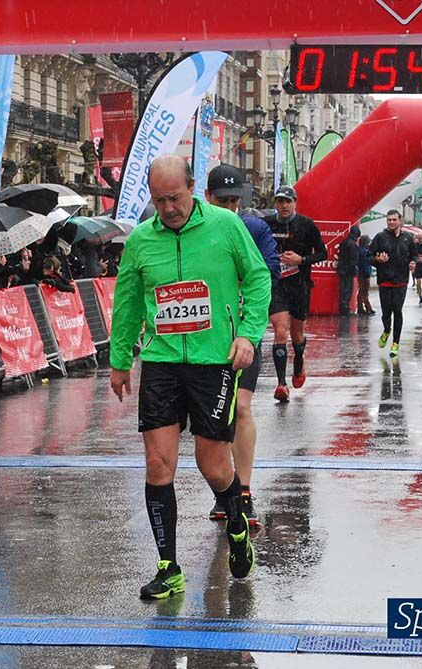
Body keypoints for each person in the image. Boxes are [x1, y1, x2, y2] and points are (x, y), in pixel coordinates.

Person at [110, 155, 271, 600]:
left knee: (212, 464)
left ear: (193, 187)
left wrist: (248, 334)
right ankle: (168, 566)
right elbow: (127, 303)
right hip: (162, 360)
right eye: (159, 200)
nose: (168, 208)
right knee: (158, 464)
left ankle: (236, 519)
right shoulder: (141, 240)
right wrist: (120, 359)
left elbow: (257, 279)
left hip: (213, 360)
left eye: (175, 198)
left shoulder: (225, 226)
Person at [203, 164, 278, 528]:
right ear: (207, 197)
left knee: (242, 408)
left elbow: (268, 273)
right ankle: (225, 491)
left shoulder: (255, 228)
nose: (229, 208)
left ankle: (244, 491)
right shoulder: (194, 231)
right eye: (222, 200)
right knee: (216, 420)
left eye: (234, 201)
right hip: (206, 340)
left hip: (244, 334)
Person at [263, 185, 326, 402]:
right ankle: (281, 384)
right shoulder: (267, 224)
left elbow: (322, 253)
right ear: (275, 204)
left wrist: (301, 260)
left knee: (297, 335)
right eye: (280, 201)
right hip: (277, 285)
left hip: (300, 285)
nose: (284, 206)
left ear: (295, 203)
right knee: (281, 331)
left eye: (288, 201)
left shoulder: (306, 225)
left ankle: (299, 361)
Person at [369, 210, 415, 357]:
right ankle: (387, 330)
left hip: (401, 280)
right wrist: (377, 260)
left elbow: (413, 255)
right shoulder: (380, 237)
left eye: (394, 220)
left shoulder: (408, 238)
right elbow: (368, 255)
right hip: (385, 279)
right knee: (386, 313)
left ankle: (396, 343)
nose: (391, 222)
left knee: (398, 310)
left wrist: (413, 263)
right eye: (389, 220)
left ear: (400, 220)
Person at [336, 226, 360, 316]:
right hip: (348, 271)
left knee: (343, 289)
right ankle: (345, 309)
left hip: (342, 269)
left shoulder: (344, 242)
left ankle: (343, 308)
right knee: (348, 290)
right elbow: (353, 260)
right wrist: (355, 270)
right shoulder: (353, 245)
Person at [356, 234, 375, 316]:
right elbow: (366, 264)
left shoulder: (359, 250)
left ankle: (362, 307)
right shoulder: (365, 252)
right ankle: (367, 307)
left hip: (360, 273)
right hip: (365, 273)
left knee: (362, 290)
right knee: (364, 291)